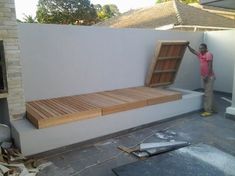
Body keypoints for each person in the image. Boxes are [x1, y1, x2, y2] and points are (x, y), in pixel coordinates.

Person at [187, 43, 216, 117]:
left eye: (202, 48)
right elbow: (193, 51)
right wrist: (188, 46)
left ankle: (208, 111)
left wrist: (206, 75)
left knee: (207, 94)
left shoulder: (208, 54)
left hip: (209, 77)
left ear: (206, 48)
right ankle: (212, 109)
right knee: (208, 93)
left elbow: (210, 65)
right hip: (205, 77)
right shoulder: (201, 54)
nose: (200, 49)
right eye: (200, 48)